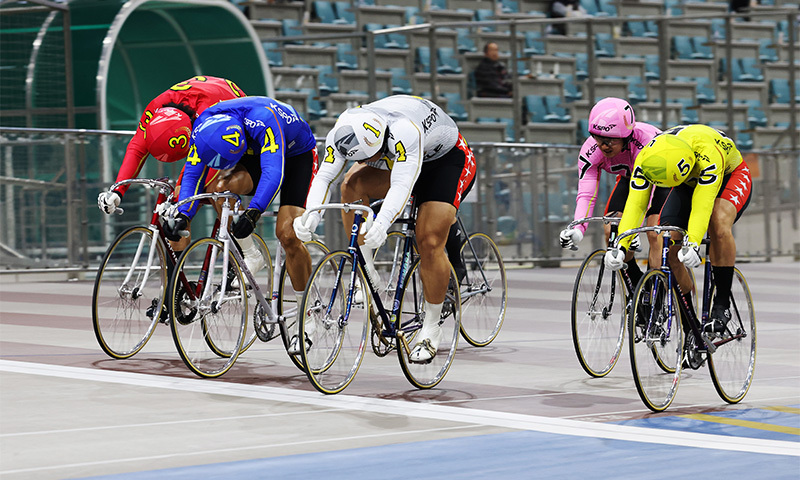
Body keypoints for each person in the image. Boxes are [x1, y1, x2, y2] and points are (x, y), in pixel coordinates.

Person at [293, 95, 476, 363]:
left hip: (445, 161)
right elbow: (324, 177)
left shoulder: (404, 130)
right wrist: (310, 214)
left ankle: (431, 329)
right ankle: (368, 272)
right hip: (400, 161)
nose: (371, 161)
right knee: (350, 185)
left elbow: (402, 186)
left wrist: (381, 223)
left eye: (374, 156)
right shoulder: (343, 129)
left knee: (428, 241)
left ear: (380, 140)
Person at [163, 96, 319, 332]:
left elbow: (273, 171)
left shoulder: (263, 120)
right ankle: (250, 254)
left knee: (287, 235)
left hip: (296, 155)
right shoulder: (204, 130)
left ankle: (304, 313)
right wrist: (183, 214)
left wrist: (253, 213)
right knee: (220, 189)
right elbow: (192, 176)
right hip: (251, 152)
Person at [605, 124, 752, 333]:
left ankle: (722, 304)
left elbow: (702, 205)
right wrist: (621, 245)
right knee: (668, 242)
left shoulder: (708, 155)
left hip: (730, 174)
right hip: (684, 182)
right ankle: (690, 326)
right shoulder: (647, 160)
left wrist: (692, 242)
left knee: (717, 222)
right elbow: (636, 205)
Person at [97, 75, 246, 253]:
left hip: (227, 122)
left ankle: (246, 251)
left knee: (213, 188)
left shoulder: (207, 115)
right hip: (201, 105)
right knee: (177, 209)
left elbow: (198, 169)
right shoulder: (154, 110)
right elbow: (136, 148)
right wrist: (117, 190)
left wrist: (181, 199)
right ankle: (175, 275)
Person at [559, 97, 667, 288]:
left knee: (653, 232)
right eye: (599, 139)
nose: (603, 145)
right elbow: (586, 194)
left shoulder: (645, 141)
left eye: (610, 140)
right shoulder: (591, 151)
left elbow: (646, 194)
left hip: (663, 181)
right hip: (629, 180)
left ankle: (656, 294)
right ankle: (636, 287)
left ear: (626, 136)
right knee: (611, 229)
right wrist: (578, 228)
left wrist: (634, 226)